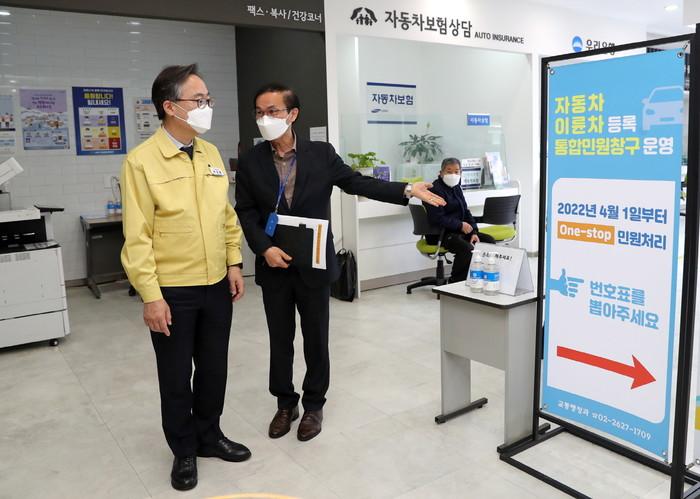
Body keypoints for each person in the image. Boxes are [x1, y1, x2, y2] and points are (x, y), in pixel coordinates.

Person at [235, 83, 445, 442]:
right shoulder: (252, 160)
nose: (264, 118)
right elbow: (246, 210)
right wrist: (264, 248)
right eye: (259, 112)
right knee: (280, 340)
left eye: (272, 111)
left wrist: (407, 189)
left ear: (292, 114)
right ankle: (285, 403)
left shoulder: (320, 154)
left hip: (314, 263)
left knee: (316, 339)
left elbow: (356, 183)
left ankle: (314, 405)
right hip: (274, 264)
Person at [121, 64, 250, 492]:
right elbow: (137, 236)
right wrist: (150, 296)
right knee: (176, 376)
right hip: (173, 290)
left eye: (208, 99)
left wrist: (234, 263)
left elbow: (226, 216)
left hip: (215, 284)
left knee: (214, 368)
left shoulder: (210, 153)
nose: (206, 106)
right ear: (170, 106)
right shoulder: (141, 162)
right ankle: (184, 449)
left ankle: (209, 436)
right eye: (199, 100)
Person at [424, 157, 496, 283]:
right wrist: (460, 225)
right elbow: (437, 218)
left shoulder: (457, 188)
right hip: (440, 234)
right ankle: (455, 283)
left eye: (456, 171)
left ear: (461, 173)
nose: (453, 174)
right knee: (466, 249)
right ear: (441, 173)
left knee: (488, 241)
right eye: (449, 171)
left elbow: (466, 211)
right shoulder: (434, 190)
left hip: (458, 231)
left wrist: (473, 232)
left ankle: (479, 278)